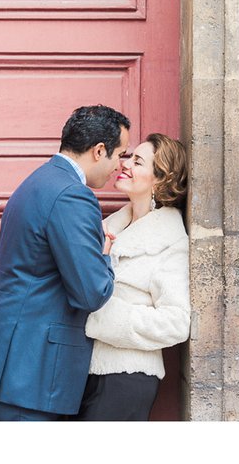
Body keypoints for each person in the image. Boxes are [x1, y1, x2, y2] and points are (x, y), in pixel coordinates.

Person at [0, 105, 131, 421]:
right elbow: (91, 293)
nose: (118, 167)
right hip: (31, 374)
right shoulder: (73, 196)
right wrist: (104, 257)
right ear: (99, 151)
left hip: (10, 367)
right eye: (119, 155)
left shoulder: (35, 183)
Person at [70, 133, 190, 421]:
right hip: (83, 371)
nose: (125, 164)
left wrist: (103, 317)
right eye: (129, 157)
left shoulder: (170, 242)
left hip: (126, 376)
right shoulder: (108, 230)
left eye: (138, 161)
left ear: (160, 180)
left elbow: (177, 322)